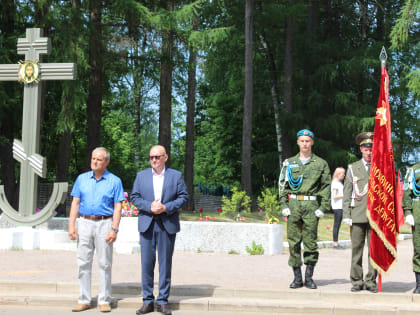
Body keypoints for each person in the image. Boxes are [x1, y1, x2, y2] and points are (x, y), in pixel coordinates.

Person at [131, 145, 189, 315]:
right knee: (146, 264)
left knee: (165, 264)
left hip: (167, 223)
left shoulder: (176, 176)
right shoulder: (141, 176)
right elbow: (134, 197)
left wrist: (166, 207)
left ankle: (162, 301)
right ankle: (147, 301)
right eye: (151, 157)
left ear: (165, 157)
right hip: (147, 224)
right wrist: (149, 206)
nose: (154, 160)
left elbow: (184, 197)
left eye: (157, 157)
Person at [68, 147, 125, 312]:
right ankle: (84, 299)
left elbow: (118, 206)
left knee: (104, 263)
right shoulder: (82, 179)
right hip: (85, 223)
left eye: (98, 159)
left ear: (106, 162)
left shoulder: (115, 181)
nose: (94, 161)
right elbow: (75, 203)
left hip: (104, 223)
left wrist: (114, 229)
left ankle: (104, 300)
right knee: (83, 262)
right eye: (93, 158)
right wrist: (72, 225)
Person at [279, 129, 331, 290]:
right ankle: (297, 278)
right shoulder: (289, 163)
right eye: (302, 141)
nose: (305, 144)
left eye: (307, 141)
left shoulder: (321, 164)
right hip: (294, 204)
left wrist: (323, 207)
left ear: (312, 143)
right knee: (293, 242)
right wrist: (283, 205)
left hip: (311, 205)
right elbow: (282, 186)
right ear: (297, 142)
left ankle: (309, 277)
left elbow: (326, 187)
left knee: (310, 242)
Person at [342, 132, 378, 293]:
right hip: (357, 215)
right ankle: (357, 280)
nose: (369, 152)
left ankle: (370, 280)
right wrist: (346, 215)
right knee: (356, 250)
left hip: (376, 216)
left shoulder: (380, 167)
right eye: (366, 148)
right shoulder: (353, 168)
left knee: (374, 251)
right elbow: (347, 193)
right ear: (361, 149)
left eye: (371, 149)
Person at [402, 162, 420, 293]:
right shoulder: (414, 170)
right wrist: (408, 212)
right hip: (418, 213)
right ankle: (419, 284)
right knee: (419, 249)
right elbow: (407, 191)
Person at [331, 167, 345, 249]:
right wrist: (344, 195)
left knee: (338, 224)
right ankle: (335, 243)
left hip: (340, 206)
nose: (344, 175)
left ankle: (336, 242)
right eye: (342, 174)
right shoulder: (335, 183)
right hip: (337, 206)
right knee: (336, 224)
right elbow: (334, 196)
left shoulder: (339, 183)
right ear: (338, 174)